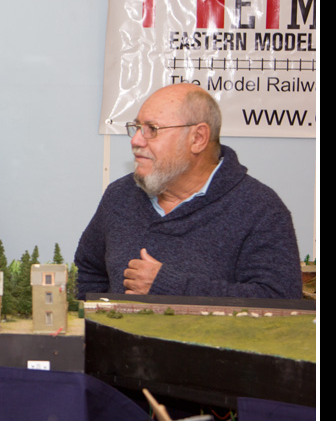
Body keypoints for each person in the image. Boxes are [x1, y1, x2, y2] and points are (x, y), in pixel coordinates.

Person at [75, 83, 302, 299]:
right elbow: (89, 270)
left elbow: (279, 300)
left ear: (198, 138)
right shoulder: (120, 195)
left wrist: (170, 288)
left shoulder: (260, 209)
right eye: (137, 128)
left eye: (152, 129)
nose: (136, 140)